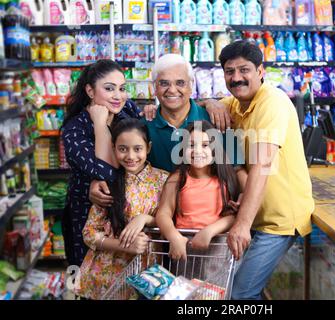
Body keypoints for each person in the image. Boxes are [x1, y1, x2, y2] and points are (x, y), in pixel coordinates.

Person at [203, 40, 315, 300]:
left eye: (244, 70)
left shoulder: (271, 102)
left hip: (279, 220)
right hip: (256, 216)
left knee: (240, 294)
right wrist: (210, 102)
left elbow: (263, 164)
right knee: (235, 289)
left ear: (260, 71)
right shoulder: (234, 104)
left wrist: (241, 224)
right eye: (229, 71)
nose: (237, 78)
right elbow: (198, 106)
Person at [89, 54, 246, 208]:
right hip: (153, 220)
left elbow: (238, 169)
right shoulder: (141, 128)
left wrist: (244, 196)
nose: (172, 90)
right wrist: (97, 183)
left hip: (208, 219)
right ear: (154, 87)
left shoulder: (218, 120)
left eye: (180, 83)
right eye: (164, 83)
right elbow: (121, 171)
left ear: (191, 85)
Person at [76, 118, 168, 300]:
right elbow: (89, 233)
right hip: (107, 275)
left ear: (148, 148)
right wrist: (125, 246)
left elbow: (172, 219)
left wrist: (145, 218)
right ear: (113, 148)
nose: (131, 156)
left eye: (137, 149)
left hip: (148, 275)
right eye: (123, 149)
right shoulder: (108, 182)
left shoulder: (164, 180)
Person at [61, 59, 142, 267]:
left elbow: (141, 149)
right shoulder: (75, 129)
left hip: (127, 214)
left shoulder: (127, 110)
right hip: (88, 217)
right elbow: (108, 172)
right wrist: (99, 123)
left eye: (122, 88)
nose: (118, 96)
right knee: (91, 279)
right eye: (109, 88)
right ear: (90, 91)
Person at [156, 120, 245, 261]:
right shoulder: (177, 179)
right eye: (191, 145)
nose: (197, 151)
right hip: (183, 249)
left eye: (205, 145)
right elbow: (163, 213)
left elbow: (233, 216)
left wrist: (210, 231)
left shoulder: (224, 180)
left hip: (217, 250)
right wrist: (173, 236)